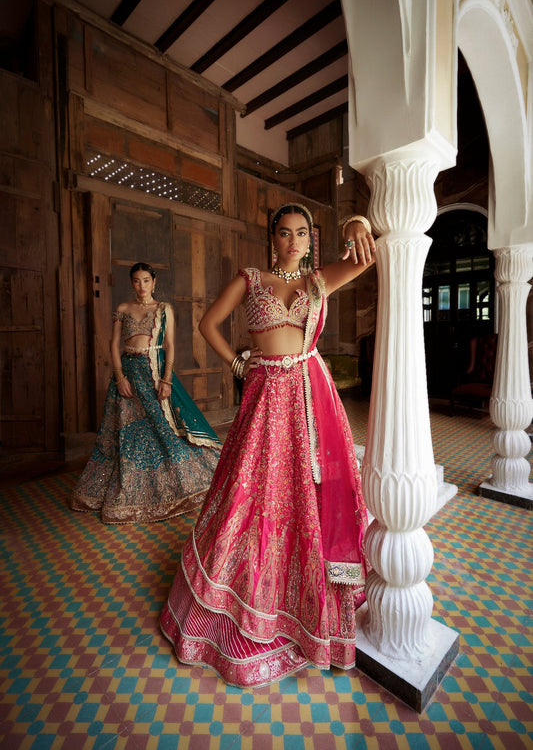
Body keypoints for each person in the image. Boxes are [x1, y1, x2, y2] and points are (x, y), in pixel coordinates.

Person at [160, 205, 376, 687]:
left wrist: (355, 222)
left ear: (310, 239)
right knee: (249, 496)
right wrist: (238, 364)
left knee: (305, 501)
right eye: (285, 233)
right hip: (263, 398)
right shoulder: (251, 279)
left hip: (308, 397)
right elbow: (208, 324)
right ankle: (238, 611)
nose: (293, 241)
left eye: (302, 234)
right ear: (272, 238)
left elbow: (365, 259)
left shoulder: (318, 282)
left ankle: (304, 612)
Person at [69, 262, 222, 524]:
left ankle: (174, 482)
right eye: (137, 281)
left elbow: (171, 345)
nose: (142, 286)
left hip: (154, 372)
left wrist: (167, 379)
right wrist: (119, 377)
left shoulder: (163, 309)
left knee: (163, 428)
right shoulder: (123, 309)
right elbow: (114, 344)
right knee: (127, 430)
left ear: (154, 282)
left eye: (146, 281)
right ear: (132, 283)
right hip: (129, 373)